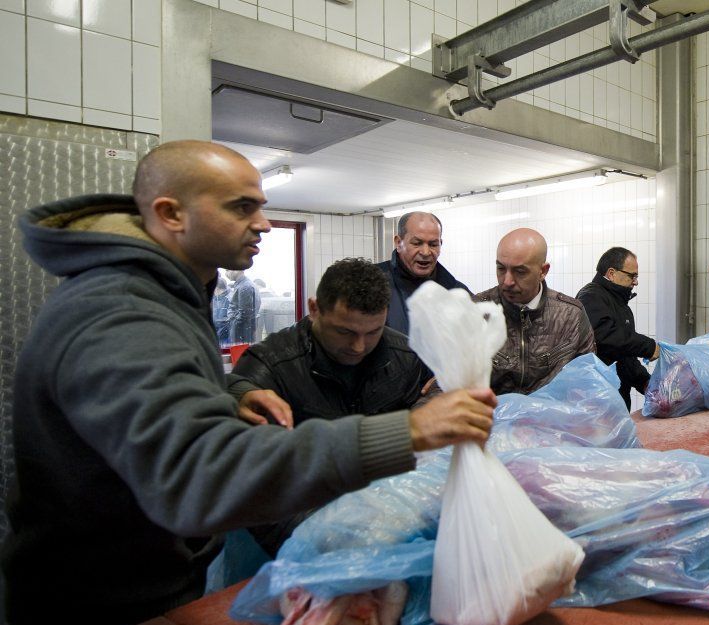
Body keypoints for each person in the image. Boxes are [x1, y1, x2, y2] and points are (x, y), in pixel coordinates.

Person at [2, 140, 496, 625]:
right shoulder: (123, 312)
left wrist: (229, 394)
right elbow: (198, 472)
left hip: (146, 584)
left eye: (260, 206)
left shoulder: (164, 297)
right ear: (172, 214)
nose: (262, 222)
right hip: (100, 601)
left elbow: (149, 416)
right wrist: (407, 433)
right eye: (242, 208)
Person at [232, 257, 435, 426]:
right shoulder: (268, 365)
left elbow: (428, 403)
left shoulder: (405, 356)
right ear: (314, 309)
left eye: (374, 332)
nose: (359, 347)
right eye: (344, 331)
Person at [474, 228, 595, 395]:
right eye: (501, 269)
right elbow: (452, 381)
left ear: (543, 271)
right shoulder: (476, 311)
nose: (507, 281)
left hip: (552, 419)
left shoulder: (570, 316)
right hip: (490, 419)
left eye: (520, 271)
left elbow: (587, 382)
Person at [576, 247, 660, 409]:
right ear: (611, 273)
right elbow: (605, 337)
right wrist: (648, 347)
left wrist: (645, 383)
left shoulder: (620, 305)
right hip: (595, 400)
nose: (635, 282)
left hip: (617, 399)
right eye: (632, 276)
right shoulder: (591, 296)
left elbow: (623, 355)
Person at [376, 211, 470, 334]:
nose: (425, 252)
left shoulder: (457, 292)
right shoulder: (372, 282)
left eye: (433, 244)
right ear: (399, 243)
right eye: (417, 243)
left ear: (440, 245)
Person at [226, 269, 259, 344]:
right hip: (243, 329)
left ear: (237, 270)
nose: (226, 273)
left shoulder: (244, 286)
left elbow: (244, 313)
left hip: (241, 331)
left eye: (227, 270)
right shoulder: (244, 284)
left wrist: (233, 321)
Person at [211, 271, 231, 345]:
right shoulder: (215, 298)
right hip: (216, 333)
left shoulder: (228, 299)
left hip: (225, 335)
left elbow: (228, 320)